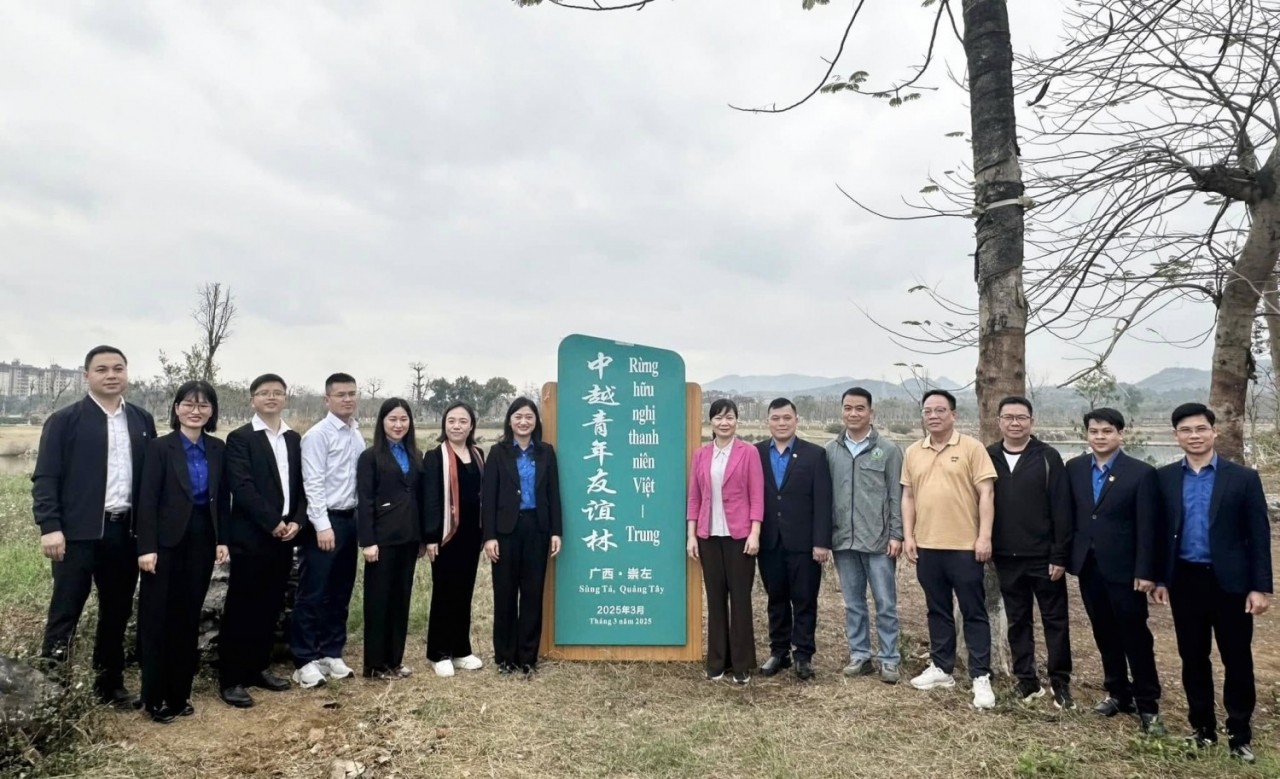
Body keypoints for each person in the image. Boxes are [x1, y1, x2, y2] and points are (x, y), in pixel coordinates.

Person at [32, 345, 157, 709]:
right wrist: (50, 525)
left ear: (127, 374)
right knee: (65, 611)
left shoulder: (141, 420)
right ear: (86, 376)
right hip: (76, 535)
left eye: (118, 368)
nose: (111, 375)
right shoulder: (65, 420)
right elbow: (46, 477)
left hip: (123, 533)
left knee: (117, 611)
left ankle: (109, 684)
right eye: (101, 369)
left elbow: (148, 481)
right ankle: (51, 691)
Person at [1153, 403, 1272, 763]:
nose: (1194, 436)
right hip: (1185, 581)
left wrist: (1260, 587)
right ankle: (1202, 729)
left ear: (1214, 432)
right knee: (1193, 657)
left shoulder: (1243, 478)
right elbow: (1160, 534)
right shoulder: (1165, 478)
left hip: (1231, 584)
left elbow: (1258, 535)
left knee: (1237, 659)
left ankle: (1239, 734)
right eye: (1186, 430)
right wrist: (1160, 578)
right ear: (1177, 436)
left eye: (1201, 429)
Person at [135, 381, 231, 723]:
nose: (196, 410)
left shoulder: (218, 449)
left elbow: (222, 499)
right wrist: (146, 547)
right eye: (189, 404)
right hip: (164, 544)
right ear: (176, 409)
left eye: (204, 405)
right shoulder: (160, 448)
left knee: (187, 617)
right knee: (157, 617)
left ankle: (179, 694)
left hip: (202, 541)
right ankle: (154, 697)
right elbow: (146, 500)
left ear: (212, 412)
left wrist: (222, 539)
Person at [1064, 407, 1164, 734]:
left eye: (1107, 431)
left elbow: (1150, 527)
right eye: (1094, 431)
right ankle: (1118, 693)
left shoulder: (1141, 472)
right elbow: (1074, 516)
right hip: (1089, 566)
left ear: (1120, 434)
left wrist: (1147, 570)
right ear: (1086, 435)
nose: (1100, 437)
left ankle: (1148, 705)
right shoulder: (1075, 468)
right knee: (1104, 632)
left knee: (1134, 635)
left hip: (1127, 570)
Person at [901, 389, 998, 710]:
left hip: (965, 547)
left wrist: (984, 537)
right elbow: (909, 497)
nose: (933, 416)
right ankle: (942, 667)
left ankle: (980, 676)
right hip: (927, 546)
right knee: (937, 609)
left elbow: (986, 494)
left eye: (940, 410)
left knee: (973, 610)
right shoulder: (914, 451)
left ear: (953, 414)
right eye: (928, 410)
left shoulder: (971, 448)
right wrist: (908, 535)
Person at [218, 373, 305, 708]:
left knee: (270, 605)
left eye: (278, 393)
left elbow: (302, 486)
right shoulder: (240, 439)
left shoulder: (294, 439)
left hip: (285, 538)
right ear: (252, 399)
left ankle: (258, 667)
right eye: (264, 393)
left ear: (285, 398)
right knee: (242, 607)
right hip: (252, 536)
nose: (271, 398)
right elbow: (242, 488)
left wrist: (296, 520)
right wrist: (273, 522)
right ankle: (231, 678)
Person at [986, 396, 1074, 708]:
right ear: (999, 422)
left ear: (1031, 422)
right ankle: (1027, 681)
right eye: (1008, 417)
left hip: (1044, 558)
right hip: (1006, 557)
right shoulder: (989, 456)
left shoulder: (1048, 457)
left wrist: (1059, 555)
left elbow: (1062, 510)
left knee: (1055, 620)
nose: (1014, 423)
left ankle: (1060, 682)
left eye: (1021, 417)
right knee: (1018, 621)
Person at [824, 387, 904, 684]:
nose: (853, 413)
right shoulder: (832, 450)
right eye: (848, 408)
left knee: (885, 602)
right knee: (853, 603)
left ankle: (889, 658)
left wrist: (897, 534)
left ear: (871, 412)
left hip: (879, 541)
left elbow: (896, 495)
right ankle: (860, 654)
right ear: (841, 411)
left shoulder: (889, 449)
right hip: (843, 541)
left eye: (860, 408)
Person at [291, 373, 365, 688]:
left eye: (351, 394)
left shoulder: (356, 434)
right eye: (340, 395)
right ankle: (304, 659)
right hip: (324, 522)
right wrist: (322, 525)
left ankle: (331, 651)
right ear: (327, 399)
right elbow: (313, 482)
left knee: (339, 591)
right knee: (313, 592)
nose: (347, 399)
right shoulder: (318, 435)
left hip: (350, 520)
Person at [686, 398, 765, 685]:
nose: (724, 422)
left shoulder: (749, 452)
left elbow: (757, 495)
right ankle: (717, 661)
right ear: (711, 422)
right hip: (709, 536)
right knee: (715, 599)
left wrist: (755, 532)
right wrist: (691, 534)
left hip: (740, 536)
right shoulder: (701, 455)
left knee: (740, 599)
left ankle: (742, 664)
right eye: (718, 417)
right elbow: (694, 496)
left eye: (729, 417)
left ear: (736, 421)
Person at [482, 398, 562, 677]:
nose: (523, 422)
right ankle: (505, 656)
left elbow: (553, 495)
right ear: (510, 421)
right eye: (518, 417)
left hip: (537, 529)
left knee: (531, 594)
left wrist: (555, 531)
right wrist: (489, 536)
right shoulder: (497, 453)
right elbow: (488, 499)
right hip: (505, 531)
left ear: (536, 421)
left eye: (529, 417)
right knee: (504, 594)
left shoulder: (546, 453)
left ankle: (527, 657)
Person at [755, 398, 832, 681]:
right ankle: (779, 652)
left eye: (787, 418)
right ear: (768, 421)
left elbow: (823, 501)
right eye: (776, 418)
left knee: (804, 600)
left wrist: (821, 542)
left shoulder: (814, 454)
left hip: (804, 543)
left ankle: (803, 655)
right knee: (776, 598)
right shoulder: (757, 453)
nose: (781, 423)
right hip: (769, 541)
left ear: (796, 420)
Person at [357, 398, 425, 679]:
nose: (398, 425)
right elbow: (365, 499)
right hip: (381, 541)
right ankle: (375, 664)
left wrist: (422, 538)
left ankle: (394, 660)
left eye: (403, 419)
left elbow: (420, 497)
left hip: (409, 539)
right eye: (392, 419)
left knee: (401, 600)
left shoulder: (416, 456)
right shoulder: (370, 456)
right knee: (378, 601)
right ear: (382, 422)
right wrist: (368, 541)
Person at [422, 401, 487, 677]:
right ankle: (439, 652)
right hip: (446, 536)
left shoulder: (479, 453)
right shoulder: (435, 456)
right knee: (444, 592)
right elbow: (431, 499)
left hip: (472, 536)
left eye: (462, 421)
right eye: (451, 421)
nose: (457, 426)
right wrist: (431, 537)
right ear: (444, 424)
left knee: (464, 592)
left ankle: (461, 650)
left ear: (471, 425)